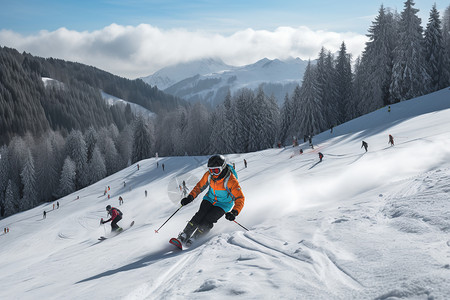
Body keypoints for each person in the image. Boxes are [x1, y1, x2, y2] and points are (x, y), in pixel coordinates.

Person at [177, 154, 245, 245]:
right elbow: (199, 187)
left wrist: (234, 212)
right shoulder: (209, 175)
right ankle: (185, 234)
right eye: (211, 170)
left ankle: (196, 237)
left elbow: (240, 198)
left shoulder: (231, 180)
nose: (213, 173)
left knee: (208, 219)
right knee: (199, 215)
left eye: (216, 170)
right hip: (210, 198)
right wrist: (190, 197)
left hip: (224, 204)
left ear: (223, 167)